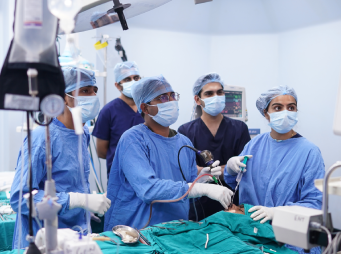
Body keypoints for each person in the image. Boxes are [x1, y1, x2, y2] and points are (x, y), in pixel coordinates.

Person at [224, 85, 325, 254]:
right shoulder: (253, 146)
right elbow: (235, 183)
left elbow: (314, 203)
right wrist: (229, 168)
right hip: (256, 243)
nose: (285, 113)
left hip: (292, 245)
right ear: (265, 114)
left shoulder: (309, 151)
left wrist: (276, 212)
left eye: (291, 107)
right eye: (277, 108)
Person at [103, 75, 234, 232]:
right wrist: (200, 189)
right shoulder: (133, 140)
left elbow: (187, 190)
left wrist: (202, 179)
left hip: (175, 230)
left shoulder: (184, 142)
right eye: (163, 98)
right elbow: (148, 190)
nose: (171, 101)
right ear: (145, 108)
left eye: (173, 95)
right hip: (136, 232)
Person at [10, 67, 112, 249]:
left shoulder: (82, 134)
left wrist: (84, 208)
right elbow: (20, 199)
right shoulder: (42, 138)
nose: (93, 96)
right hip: (44, 243)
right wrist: (75, 201)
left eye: (94, 91)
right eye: (85, 91)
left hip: (76, 238)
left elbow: (69, 182)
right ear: (64, 97)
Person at [178, 73, 251, 222]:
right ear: (198, 99)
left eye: (219, 92)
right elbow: (186, 172)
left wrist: (205, 170)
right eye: (209, 93)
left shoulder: (239, 128)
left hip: (232, 205)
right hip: (198, 205)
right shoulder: (185, 131)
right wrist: (225, 170)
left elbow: (244, 168)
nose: (216, 96)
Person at [92, 61, 145, 176]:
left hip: (148, 173)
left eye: (136, 78)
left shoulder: (147, 108)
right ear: (117, 85)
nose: (133, 82)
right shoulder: (108, 111)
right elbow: (101, 151)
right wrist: (124, 161)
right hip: (119, 176)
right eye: (127, 79)